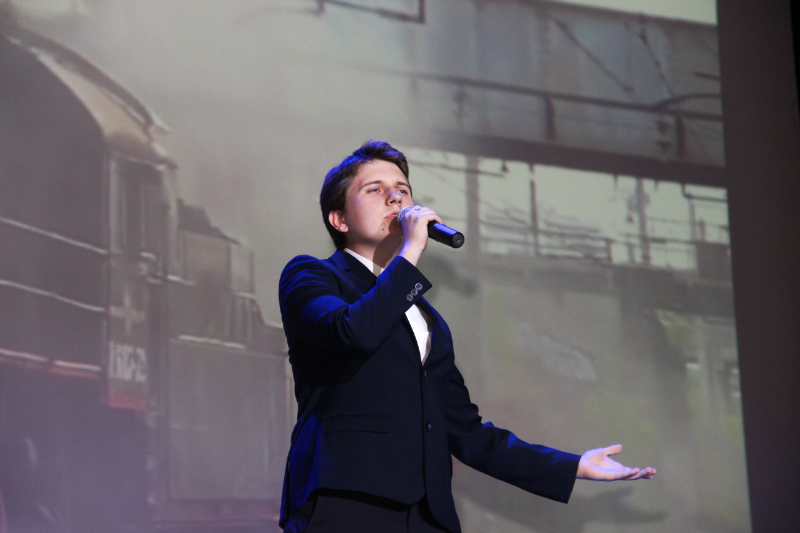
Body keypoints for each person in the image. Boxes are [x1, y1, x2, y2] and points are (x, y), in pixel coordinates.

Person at [278, 141, 656, 533]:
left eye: (402, 189)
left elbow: (467, 432)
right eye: (375, 190)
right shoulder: (312, 276)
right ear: (339, 219)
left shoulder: (427, 319)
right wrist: (411, 249)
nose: (395, 197)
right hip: (347, 501)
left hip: (428, 514)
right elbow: (353, 332)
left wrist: (572, 465)